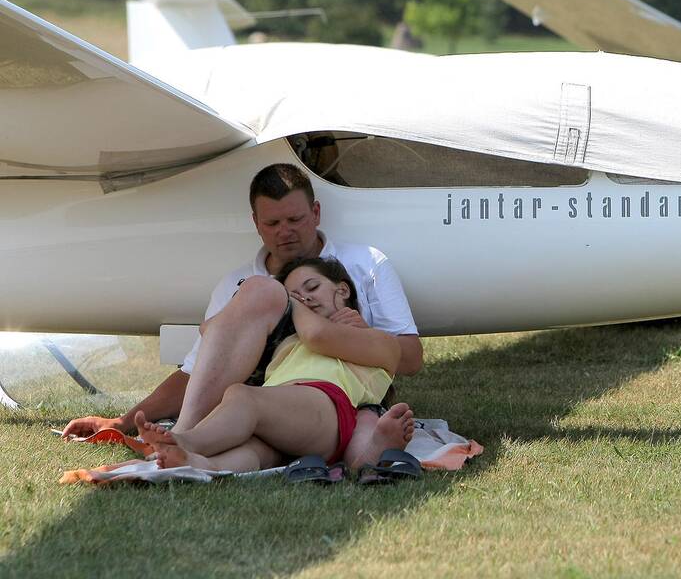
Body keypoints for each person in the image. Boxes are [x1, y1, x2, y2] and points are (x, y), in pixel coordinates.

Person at [62, 164, 422, 468]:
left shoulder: (366, 263)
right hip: (272, 396)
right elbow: (198, 372)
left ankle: (187, 441)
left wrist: (359, 339)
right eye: (272, 223)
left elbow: (409, 357)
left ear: (316, 212)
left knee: (253, 352)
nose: (285, 231)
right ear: (256, 223)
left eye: (295, 219)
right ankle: (185, 449)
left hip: (342, 398)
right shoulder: (237, 284)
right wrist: (124, 420)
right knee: (254, 439)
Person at [136, 257, 414, 471]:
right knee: (255, 451)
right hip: (285, 416)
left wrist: (290, 303)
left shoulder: (380, 341)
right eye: (295, 295)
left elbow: (318, 335)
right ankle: (200, 465)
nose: (304, 298)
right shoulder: (291, 340)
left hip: (327, 406)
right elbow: (211, 330)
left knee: (242, 396)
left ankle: (186, 440)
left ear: (342, 289)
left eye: (312, 287)